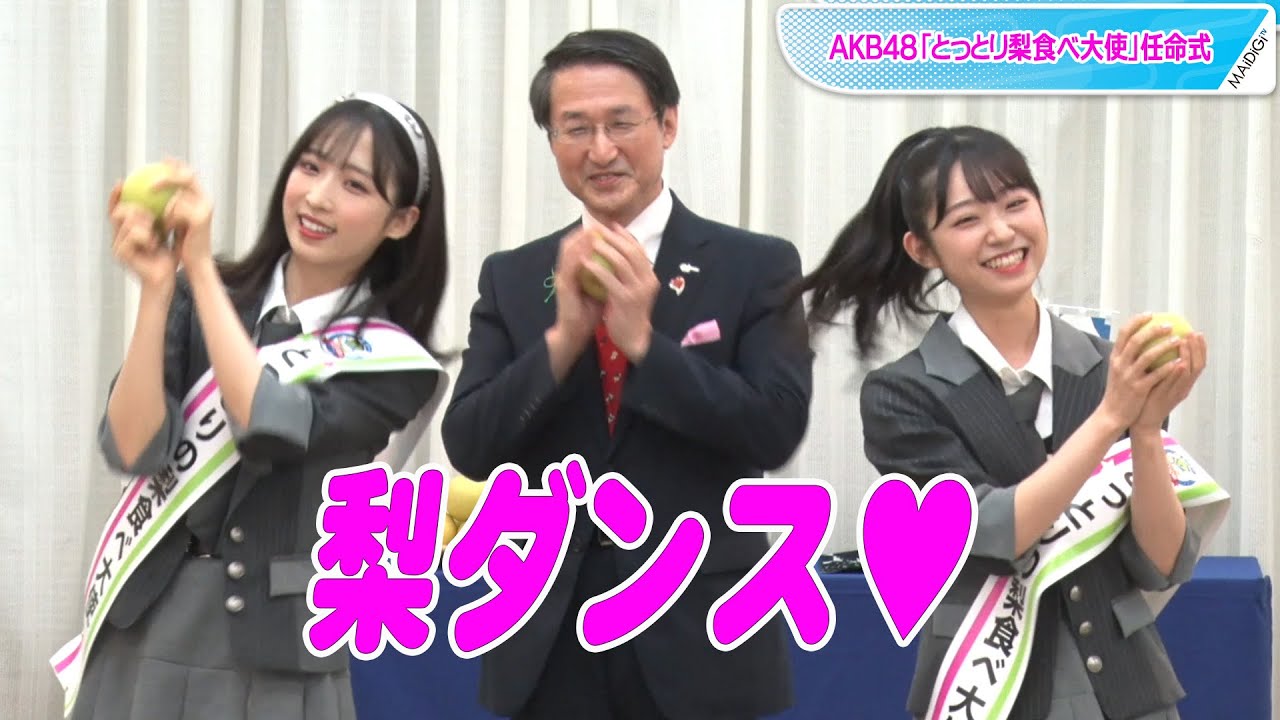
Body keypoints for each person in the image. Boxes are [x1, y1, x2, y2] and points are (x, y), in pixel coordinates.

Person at [441, 29, 813, 720]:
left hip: (701, 629)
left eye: (621, 123)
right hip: (547, 637)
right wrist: (562, 343)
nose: (601, 150)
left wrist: (645, 344)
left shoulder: (755, 265)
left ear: (668, 124)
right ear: (551, 140)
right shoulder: (514, 276)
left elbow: (774, 429)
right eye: (575, 128)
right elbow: (469, 443)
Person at [793, 125, 1211, 720]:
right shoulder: (903, 393)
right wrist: (1114, 416)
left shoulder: (1109, 367)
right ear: (923, 250)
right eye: (967, 219)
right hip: (987, 692)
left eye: (1016, 203)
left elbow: (1162, 562)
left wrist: (1144, 431)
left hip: (1127, 694)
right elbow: (991, 531)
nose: (1001, 232)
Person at [61, 92, 450, 720]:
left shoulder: (392, 360)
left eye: (354, 185)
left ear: (401, 221)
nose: (318, 197)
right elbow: (131, 447)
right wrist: (160, 291)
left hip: (274, 655)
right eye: (310, 167)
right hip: (147, 622)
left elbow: (266, 425)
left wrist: (200, 273)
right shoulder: (205, 295)